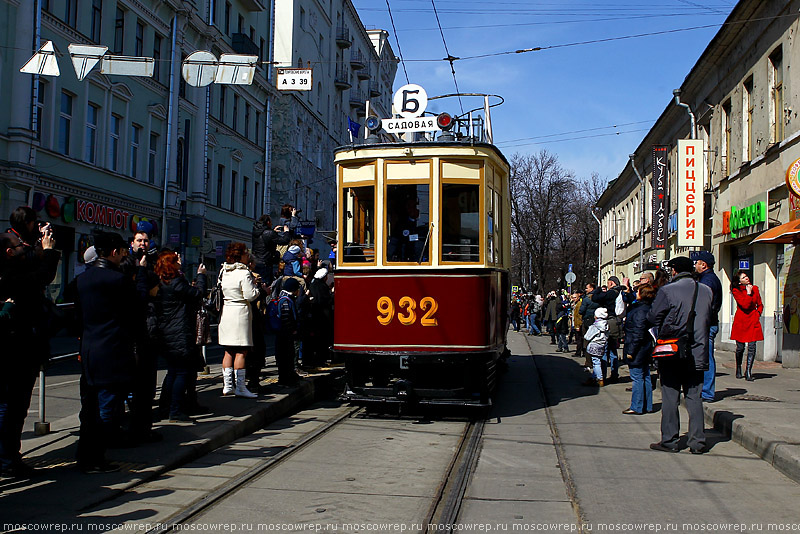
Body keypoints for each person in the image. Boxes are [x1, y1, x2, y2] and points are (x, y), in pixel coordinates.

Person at [75, 232, 146, 473]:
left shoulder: (82, 279)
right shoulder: (118, 280)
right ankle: (95, 456)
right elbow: (136, 313)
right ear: (114, 252)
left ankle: (85, 454)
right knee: (107, 406)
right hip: (113, 348)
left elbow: (72, 310)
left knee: (89, 405)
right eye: (123, 250)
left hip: (89, 348)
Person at [0, 226, 59, 478]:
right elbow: (42, 276)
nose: (23, 246)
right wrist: (49, 251)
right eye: (18, 244)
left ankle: (9, 457)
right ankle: (6, 459)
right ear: (9, 252)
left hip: (21, 351)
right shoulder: (10, 275)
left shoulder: (15, 268)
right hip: (12, 353)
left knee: (14, 408)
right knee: (9, 408)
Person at [647, 256, 713, 454]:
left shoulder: (667, 290)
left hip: (673, 350)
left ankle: (669, 440)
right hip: (699, 350)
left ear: (674, 271)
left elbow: (653, 316)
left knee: (670, 396)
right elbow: (710, 316)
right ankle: (697, 442)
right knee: (694, 397)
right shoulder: (707, 290)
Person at [153, 251, 208, 422]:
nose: (180, 262)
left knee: (173, 372)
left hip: (167, 332)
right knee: (181, 372)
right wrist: (201, 276)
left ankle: (165, 407)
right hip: (180, 332)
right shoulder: (177, 283)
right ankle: (175, 410)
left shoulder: (162, 283)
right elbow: (198, 294)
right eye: (176, 261)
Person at [218, 242, 261, 398]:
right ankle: (241, 387)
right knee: (241, 351)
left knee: (228, 350)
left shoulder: (225, 271)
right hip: (240, 312)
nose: (247, 256)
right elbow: (250, 295)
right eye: (245, 253)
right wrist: (256, 288)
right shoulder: (244, 273)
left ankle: (227, 385)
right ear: (240, 255)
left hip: (227, 311)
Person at [623, 283, 656, 415]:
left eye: (638, 292)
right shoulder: (646, 308)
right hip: (645, 347)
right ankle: (647, 405)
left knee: (637, 377)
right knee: (645, 376)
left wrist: (631, 351)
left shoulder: (640, 311)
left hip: (638, 348)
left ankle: (636, 406)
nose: (635, 294)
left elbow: (638, 333)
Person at [693, 251, 723, 401]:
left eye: (696, 263)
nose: (695, 265)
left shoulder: (708, 281)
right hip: (707, 323)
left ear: (703, 265)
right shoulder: (706, 279)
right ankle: (703, 390)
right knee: (704, 357)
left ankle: (707, 392)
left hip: (706, 324)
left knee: (706, 359)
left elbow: (705, 304)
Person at [730, 270, 764, 381]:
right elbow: (744, 304)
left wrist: (758, 313)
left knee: (752, 346)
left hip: (752, 320)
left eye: (747, 276)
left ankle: (748, 371)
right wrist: (748, 293)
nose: (747, 278)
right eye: (744, 277)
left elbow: (760, 304)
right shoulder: (736, 291)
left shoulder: (755, 289)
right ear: (739, 281)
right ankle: (738, 367)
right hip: (741, 321)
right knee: (740, 347)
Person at [276, 277, 303, 385]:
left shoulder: (284, 298)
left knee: (286, 356)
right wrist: (292, 330)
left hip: (283, 334)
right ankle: (285, 379)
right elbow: (286, 317)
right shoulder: (286, 300)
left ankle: (287, 377)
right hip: (285, 334)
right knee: (286, 356)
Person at [251, 214, 290, 284]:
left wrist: (273, 232)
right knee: (266, 284)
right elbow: (284, 241)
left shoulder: (256, 232)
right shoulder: (268, 233)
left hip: (256, 261)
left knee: (258, 282)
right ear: (268, 222)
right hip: (266, 262)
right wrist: (286, 232)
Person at [583, 307, 609, 387]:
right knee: (597, 361)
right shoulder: (606, 324)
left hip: (594, 344)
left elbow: (587, 336)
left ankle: (600, 378)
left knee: (596, 362)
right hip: (602, 344)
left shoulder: (596, 325)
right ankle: (593, 377)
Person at [570, 290, 585, 360]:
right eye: (573, 297)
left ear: (578, 297)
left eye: (575, 297)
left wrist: (578, 326)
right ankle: (580, 351)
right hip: (575, 322)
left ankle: (579, 352)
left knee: (579, 339)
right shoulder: (574, 304)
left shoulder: (579, 304)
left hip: (578, 324)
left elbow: (579, 316)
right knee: (578, 338)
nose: (573, 299)